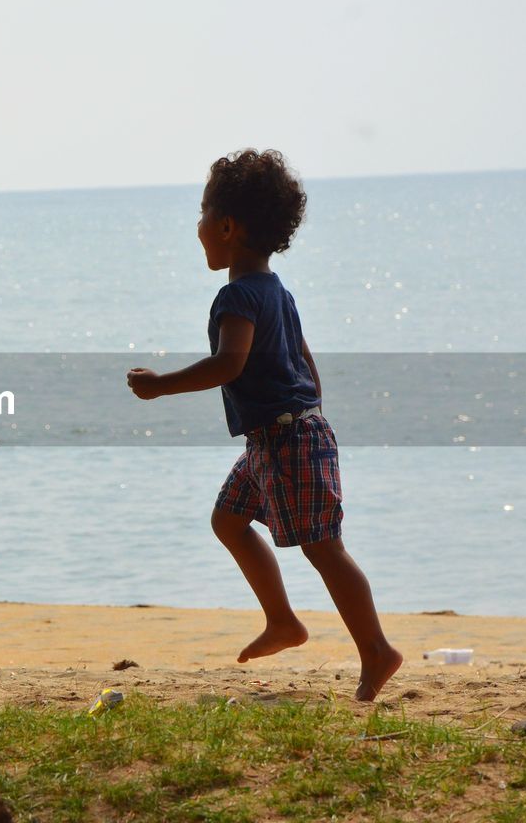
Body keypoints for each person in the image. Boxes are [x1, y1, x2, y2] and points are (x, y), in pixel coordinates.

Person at [126, 149, 402, 702]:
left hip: (285, 437)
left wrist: (160, 385)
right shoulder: (277, 291)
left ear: (227, 227)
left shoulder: (237, 296)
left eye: (203, 214)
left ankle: (376, 649)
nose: (197, 227)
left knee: (324, 547)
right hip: (279, 434)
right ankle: (282, 621)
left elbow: (229, 364)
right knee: (228, 521)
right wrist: (309, 413)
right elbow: (305, 361)